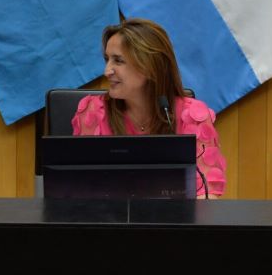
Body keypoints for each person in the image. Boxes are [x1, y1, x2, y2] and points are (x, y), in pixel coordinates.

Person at [72, 18, 227, 198]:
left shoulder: (192, 115)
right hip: (109, 214)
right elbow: (80, 188)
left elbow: (207, 193)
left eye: (118, 61)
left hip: (176, 215)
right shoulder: (93, 111)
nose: (107, 71)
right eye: (107, 59)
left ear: (149, 66)